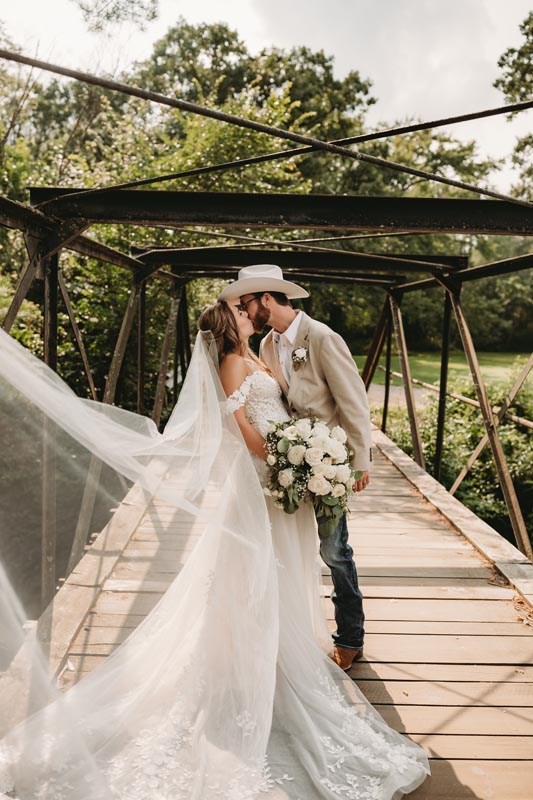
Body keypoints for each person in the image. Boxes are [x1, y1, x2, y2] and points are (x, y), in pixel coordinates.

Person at [0, 301, 429, 798]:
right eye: (242, 311)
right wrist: (284, 453)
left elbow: (287, 405)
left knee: (282, 568)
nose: (251, 313)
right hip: (262, 479)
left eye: (251, 306)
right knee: (252, 571)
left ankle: (275, 655)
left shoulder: (261, 352)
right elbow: (239, 427)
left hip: (282, 478)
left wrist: (307, 450)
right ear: (232, 323)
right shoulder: (232, 360)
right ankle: (249, 664)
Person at [219, 264, 371, 672]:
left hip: (329, 458)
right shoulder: (266, 345)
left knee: (335, 550)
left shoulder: (321, 337)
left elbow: (353, 401)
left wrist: (359, 459)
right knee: (300, 545)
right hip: (289, 460)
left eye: (247, 303)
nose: (246, 312)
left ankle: (351, 637)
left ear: (266, 299)